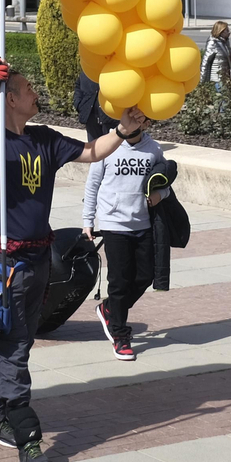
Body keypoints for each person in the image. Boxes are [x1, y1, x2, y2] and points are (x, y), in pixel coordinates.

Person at [0, 58, 126, 462]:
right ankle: (28, 439)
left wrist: (123, 131)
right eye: (27, 88)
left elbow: (91, 152)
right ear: (10, 99)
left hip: (38, 260)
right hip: (3, 263)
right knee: (13, 348)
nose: (36, 92)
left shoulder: (44, 138)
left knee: (15, 341)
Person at [82, 105, 168, 361]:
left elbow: (166, 183)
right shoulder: (107, 145)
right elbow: (92, 185)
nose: (134, 122)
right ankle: (120, 335)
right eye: (131, 117)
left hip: (142, 224)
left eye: (140, 119)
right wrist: (87, 220)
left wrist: (160, 194)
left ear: (147, 123)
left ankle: (109, 309)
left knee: (145, 276)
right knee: (119, 282)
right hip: (114, 224)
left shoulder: (154, 150)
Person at [198, 21, 231, 102]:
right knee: (223, 100)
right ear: (220, 31)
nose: (229, 32)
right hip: (217, 78)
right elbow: (206, 61)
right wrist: (202, 80)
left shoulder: (225, 42)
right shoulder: (213, 43)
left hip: (226, 77)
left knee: (225, 100)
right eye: (227, 30)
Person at [73, 71, 107, 141]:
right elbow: (78, 85)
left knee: (111, 146)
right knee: (93, 146)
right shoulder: (88, 68)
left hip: (109, 118)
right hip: (90, 115)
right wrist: (78, 103)